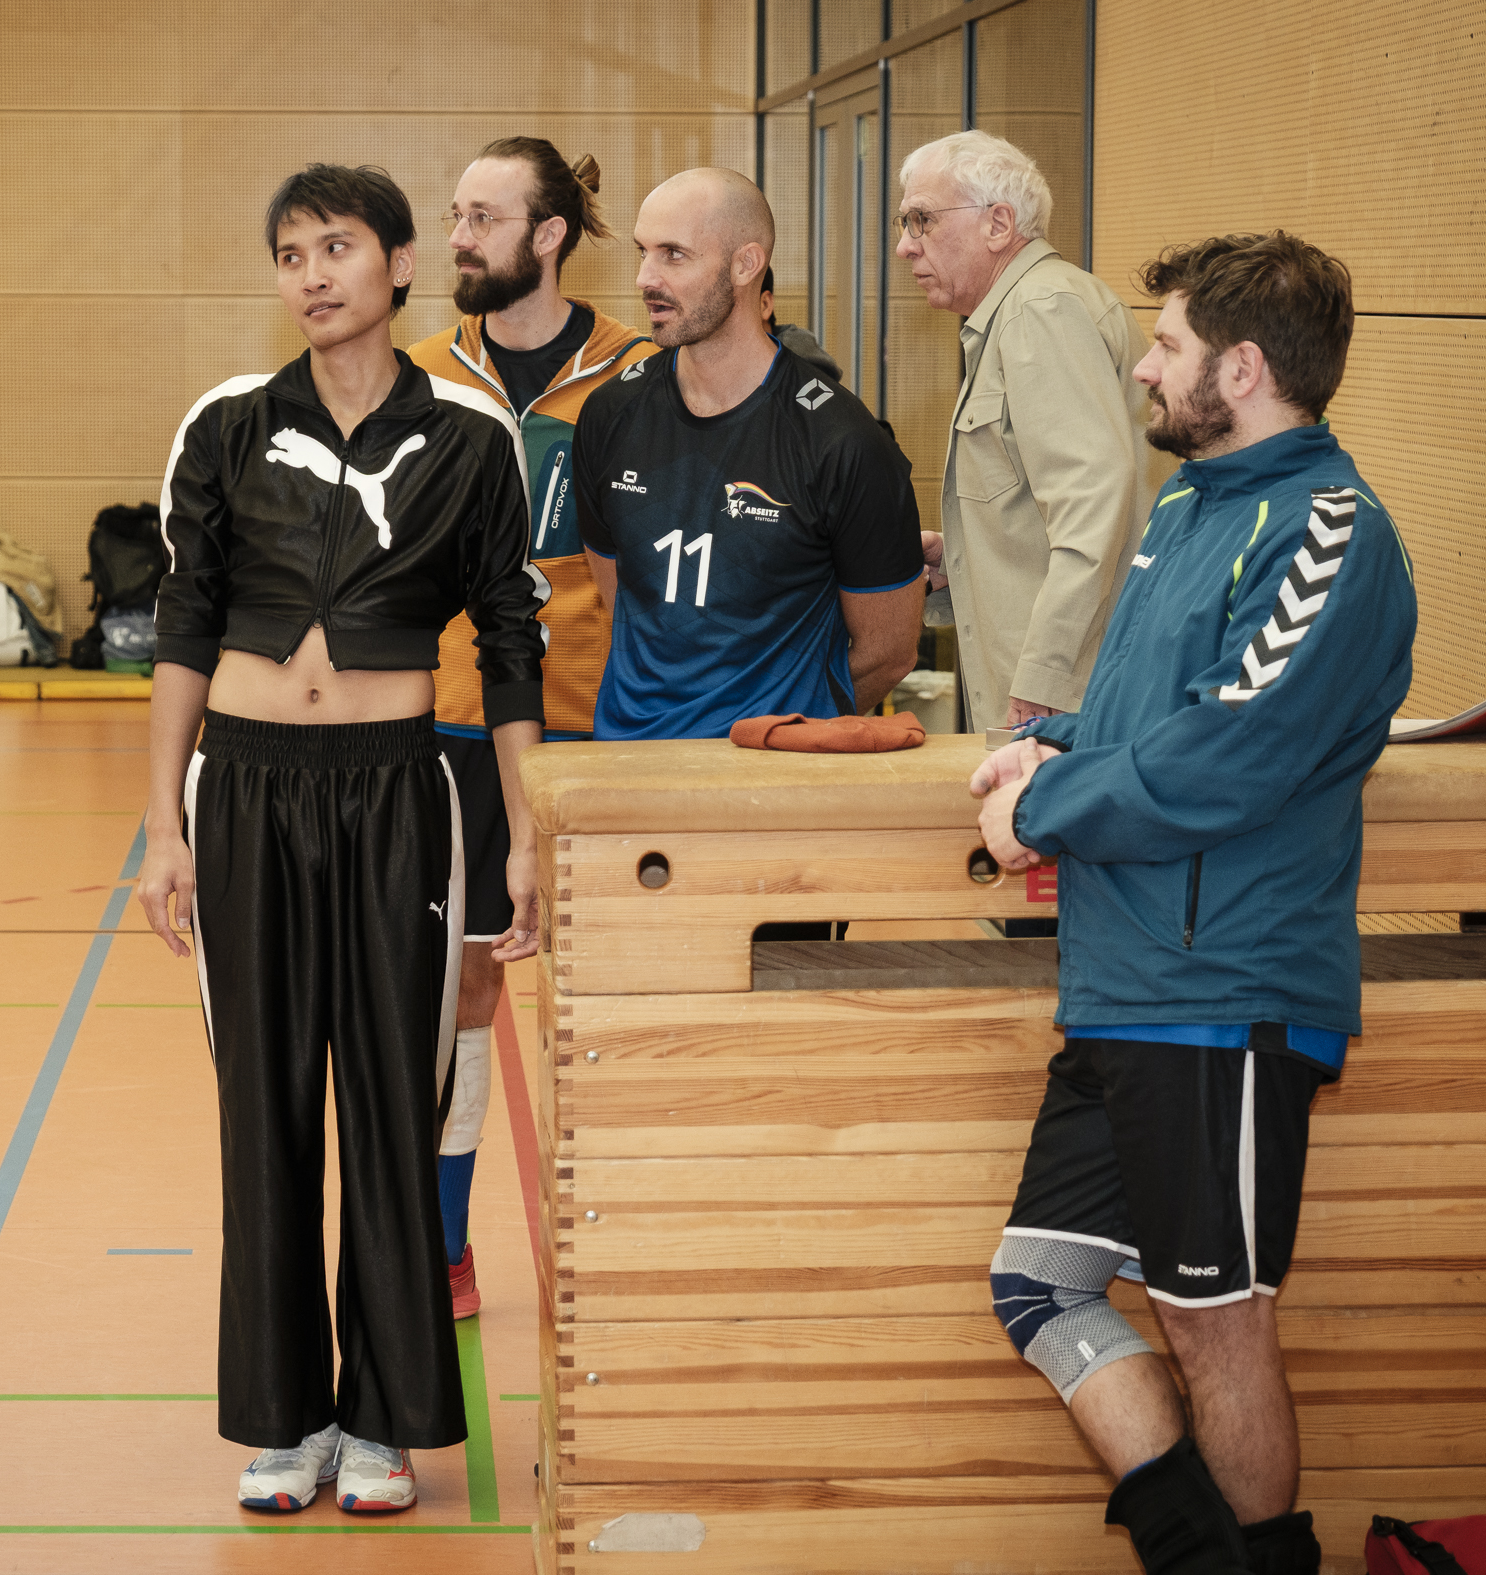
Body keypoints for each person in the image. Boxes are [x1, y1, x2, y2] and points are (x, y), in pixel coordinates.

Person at [969, 232, 1416, 1574]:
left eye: (1164, 346)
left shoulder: (1329, 530)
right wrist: (1047, 747)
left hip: (1220, 993)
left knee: (1214, 1320)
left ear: (1242, 367)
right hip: (1125, 980)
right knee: (1040, 1284)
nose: (1143, 369)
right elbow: (1145, 714)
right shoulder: (1186, 508)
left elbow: (1228, 752)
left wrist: (1040, 808)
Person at [134, 163, 546, 1518]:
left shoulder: (472, 438)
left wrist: (524, 834)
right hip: (245, 789)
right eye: (290, 253)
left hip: (396, 794)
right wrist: (162, 825)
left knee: (388, 1103)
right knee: (261, 1110)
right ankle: (284, 1418)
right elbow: (184, 623)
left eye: (338, 246)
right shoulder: (226, 427)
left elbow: (511, 640)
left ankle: (381, 1419)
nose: (312, 274)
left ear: (400, 263)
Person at [406, 138, 654, 1324]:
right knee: (460, 991)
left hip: (603, 729)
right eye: (454, 215)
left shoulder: (642, 374)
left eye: (483, 218)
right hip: (455, 727)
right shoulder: (418, 374)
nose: (458, 237)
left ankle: (632, 1247)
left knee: (611, 998)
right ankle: (444, 1245)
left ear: (548, 235)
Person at [571, 167, 924, 743]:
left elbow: (889, 652)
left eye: (673, 255)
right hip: (627, 760)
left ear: (745, 264)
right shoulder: (609, 415)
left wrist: (780, 727)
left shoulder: (843, 442)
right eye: (643, 252)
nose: (644, 278)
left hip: (767, 772)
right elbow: (621, 603)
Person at [895, 130, 1146, 733]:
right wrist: (964, 557)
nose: (905, 246)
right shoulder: (1023, 310)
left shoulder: (1041, 310)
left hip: (1061, 705)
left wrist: (1046, 676)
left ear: (999, 224)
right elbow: (1046, 508)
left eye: (921, 220)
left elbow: (1093, 505)